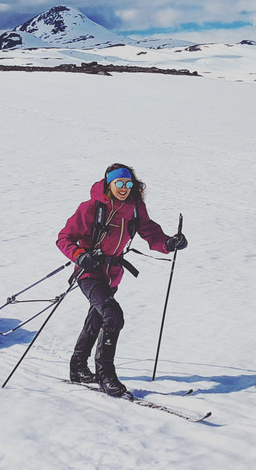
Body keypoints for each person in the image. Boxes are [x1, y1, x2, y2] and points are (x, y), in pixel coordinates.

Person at [56, 163, 188, 397]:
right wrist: (80, 256)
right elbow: (65, 238)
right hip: (89, 273)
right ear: (109, 184)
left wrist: (168, 243)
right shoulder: (91, 208)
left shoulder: (135, 209)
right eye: (119, 183)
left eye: (128, 184)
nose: (124, 188)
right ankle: (106, 375)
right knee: (113, 315)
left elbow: (151, 232)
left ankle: (77, 367)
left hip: (113, 275)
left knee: (97, 319)